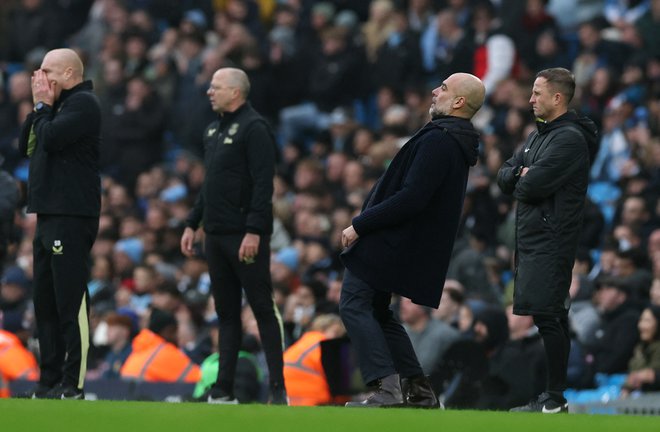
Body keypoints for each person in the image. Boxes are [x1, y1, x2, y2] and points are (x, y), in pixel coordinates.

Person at [338, 72, 486, 408]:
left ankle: (386, 388)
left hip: (390, 241)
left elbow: (412, 197)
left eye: (444, 88)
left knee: (354, 304)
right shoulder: (452, 140)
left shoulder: (440, 139)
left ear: (459, 101)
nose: (435, 91)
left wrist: (360, 224)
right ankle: (418, 390)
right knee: (378, 312)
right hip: (403, 243)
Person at [181, 67, 286, 404]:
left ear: (235, 92)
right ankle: (223, 388)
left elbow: (262, 184)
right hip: (215, 235)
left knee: (261, 309)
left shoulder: (255, 128)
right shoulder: (213, 129)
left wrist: (254, 230)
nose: (209, 92)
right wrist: (191, 221)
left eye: (216, 87)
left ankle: (277, 388)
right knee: (225, 314)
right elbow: (209, 185)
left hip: (243, 235)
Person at [497, 67, 598, 413]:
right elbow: (504, 175)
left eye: (537, 93)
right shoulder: (539, 135)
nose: (530, 99)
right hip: (532, 238)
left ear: (557, 98)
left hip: (551, 240)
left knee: (549, 316)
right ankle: (550, 397)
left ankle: (554, 398)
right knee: (546, 317)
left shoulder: (568, 138)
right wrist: (520, 173)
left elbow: (529, 185)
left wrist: (523, 175)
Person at [18, 48, 102, 400]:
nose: (41, 77)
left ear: (69, 74)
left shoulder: (84, 104)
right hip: (47, 212)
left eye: (48, 71)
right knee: (45, 302)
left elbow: (50, 138)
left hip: (71, 214)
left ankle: (73, 383)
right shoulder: (54, 108)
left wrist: (41, 107)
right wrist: (39, 108)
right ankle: (48, 381)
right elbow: (27, 144)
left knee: (70, 301)